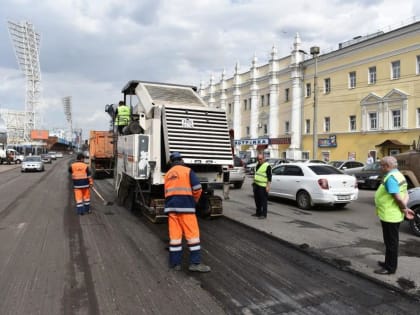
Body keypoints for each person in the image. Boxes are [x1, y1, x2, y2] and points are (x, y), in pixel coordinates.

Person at [164, 152, 211, 272]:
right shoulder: (187, 171)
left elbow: (166, 192)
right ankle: (195, 263)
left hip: (172, 209)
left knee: (175, 237)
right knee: (192, 236)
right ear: (181, 160)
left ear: (171, 162)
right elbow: (197, 188)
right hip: (186, 209)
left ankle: (175, 264)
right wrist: (193, 201)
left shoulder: (168, 174)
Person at [374, 156, 415, 275]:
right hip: (394, 214)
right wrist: (405, 208)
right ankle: (388, 263)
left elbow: (397, 197)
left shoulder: (391, 178)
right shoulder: (399, 175)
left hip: (390, 215)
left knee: (391, 243)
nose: (380, 167)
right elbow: (405, 193)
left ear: (387, 166)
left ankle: (390, 268)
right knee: (390, 242)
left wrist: (404, 208)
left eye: (381, 165)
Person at [252, 153, 272, 219]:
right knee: (257, 200)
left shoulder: (267, 166)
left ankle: (264, 214)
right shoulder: (257, 165)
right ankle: (258, 213)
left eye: (260, 159)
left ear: (264, 159)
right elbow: (256, 174)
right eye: (258, 159)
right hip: (256, 185)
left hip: (263, 186)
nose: (259, 160)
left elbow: (269, 177)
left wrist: (268, 186)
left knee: (263, 201)